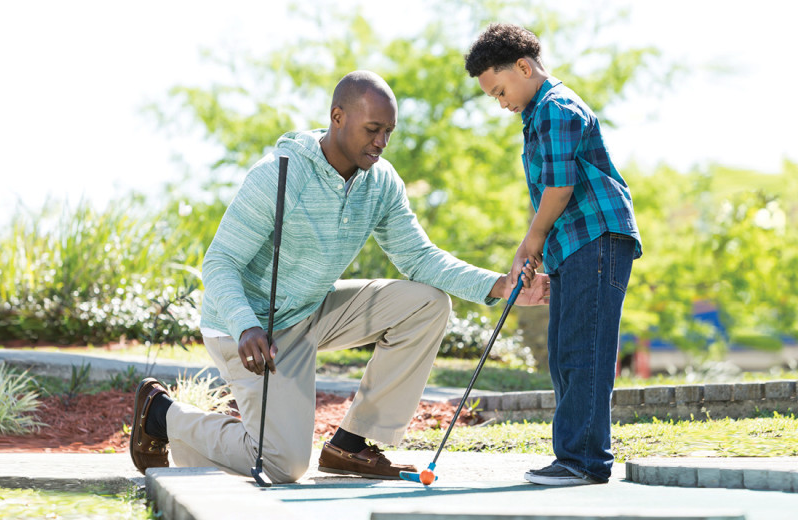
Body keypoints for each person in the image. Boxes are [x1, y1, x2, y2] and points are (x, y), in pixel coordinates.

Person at [129, 70, 550, 484]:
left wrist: (499, 285)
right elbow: (220, 262)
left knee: (427, 303)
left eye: (388, 131)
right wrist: (246, 325)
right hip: (252, 330)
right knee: (282, 466)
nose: (381, 142)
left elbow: (419, 257)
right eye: (372, 129)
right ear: (337, 118)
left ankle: (352, 442)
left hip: (313, 309)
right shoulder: (279, 174)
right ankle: (163, 415)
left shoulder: (381, 182)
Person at [464, 24, 643, 486]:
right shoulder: (537, 115)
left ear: (524, 67)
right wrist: (541, 249)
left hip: (596, 237)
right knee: (565, 351)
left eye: (500, 90)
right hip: (574, 243)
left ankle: (584, 461)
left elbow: (560, 187)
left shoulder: (555, 109)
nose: (500, 102)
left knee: (584, 350)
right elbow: (550, 191)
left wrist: (532, 241)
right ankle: (574, 456)